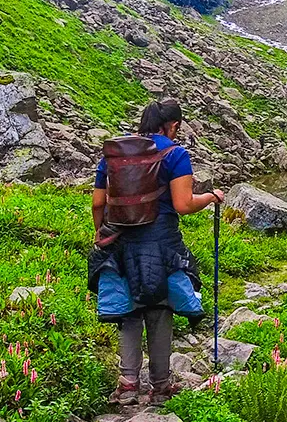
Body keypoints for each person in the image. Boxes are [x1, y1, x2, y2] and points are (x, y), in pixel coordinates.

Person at [87, 100, 224, 405]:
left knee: (129, 311)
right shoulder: (175, 154)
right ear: (172, 126)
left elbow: (98, 203)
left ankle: (127, 384)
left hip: (122, 242)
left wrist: (101, 232)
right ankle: (160, 385)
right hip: (162, 244)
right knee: (160, 311)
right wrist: (211, 197)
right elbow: (183, 205)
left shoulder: (116, 154)